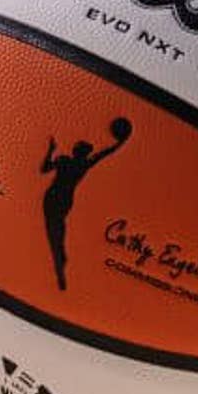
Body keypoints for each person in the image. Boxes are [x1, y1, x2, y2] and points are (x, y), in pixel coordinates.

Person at [38, 121, 129, 290]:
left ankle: (59, 258)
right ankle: (59, 258)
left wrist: (51, 151)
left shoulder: (65, 160)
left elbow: (44, 169)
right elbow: (104, 154)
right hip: (63, 198)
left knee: (54, 226)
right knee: (56, 226)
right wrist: (119, 143)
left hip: (54, 196)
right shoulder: (83, 164)